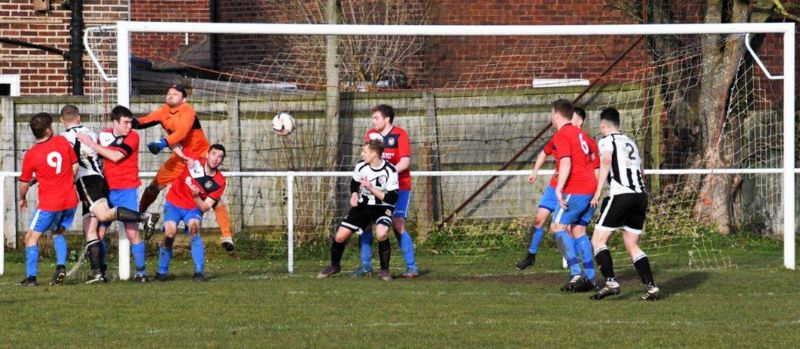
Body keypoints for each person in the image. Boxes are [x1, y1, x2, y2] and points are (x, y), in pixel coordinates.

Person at [132, 83, 235, 251]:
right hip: (180, 156)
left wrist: (162, 143)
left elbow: (181, 132)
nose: (170, 95)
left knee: (214, 199)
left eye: (175, 93)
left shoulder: (188, 111)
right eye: (169, 92)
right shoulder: (163, 110)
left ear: (184, 99)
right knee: (152, 187)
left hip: (199, 158)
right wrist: (128, 121)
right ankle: (140, 217)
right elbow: (143, 121)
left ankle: (226, 235)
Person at [516, 107, 599, 282]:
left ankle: (576, 271)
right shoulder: (562, 137)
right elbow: (544, 152)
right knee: (542, 220)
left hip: (572, 188)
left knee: (566, 229)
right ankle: (531, 255)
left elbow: (593, 163)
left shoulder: (584, 139)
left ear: (580, 121)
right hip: (559, 186)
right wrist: (535, 171)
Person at [76, 105, 157, 282]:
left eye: (131, 122)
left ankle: (141, 273)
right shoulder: (103, 135)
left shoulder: (133, 137)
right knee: (99, 233)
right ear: (115, 122)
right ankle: (100, 272)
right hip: (106, 189)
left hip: (127, 189)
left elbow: (115, 157)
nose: (130, 125)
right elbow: (92, 156)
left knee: (131, 232)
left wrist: (91, 144)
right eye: (126, 122)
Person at [589, 107, 661, 301]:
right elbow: (641, 171)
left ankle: (611, 282)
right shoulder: (631, 142)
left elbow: (605, 161)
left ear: (603, 125)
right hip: (640, 195)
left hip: (621, 195)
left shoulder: (605, 140)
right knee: (631, 244)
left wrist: (597, 193)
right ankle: (652, 287)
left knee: (597, 240)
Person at [318, 139, 399, 281]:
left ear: (374, 154)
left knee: (381, 233)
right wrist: (354, 195)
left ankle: (384, 270)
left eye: (365, 151)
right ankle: (334, 266)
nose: (362, 154)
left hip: (382, 207)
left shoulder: (390, 170)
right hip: (363, 206)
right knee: (340, 236)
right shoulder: (361, 166)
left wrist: (371, 188)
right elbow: (354, 182)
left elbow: (391, 199)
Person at [353, 104, 418, 278]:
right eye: (372, 118)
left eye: (376, 118)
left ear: (387, 119)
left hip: (399, 187)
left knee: (397, 224)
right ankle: (366, 266)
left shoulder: (400, 135)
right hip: (373, 189)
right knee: (365, 223)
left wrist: (386, 176)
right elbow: (367, 158)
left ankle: (411, 267)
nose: (373, 121)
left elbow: (405, 162)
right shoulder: (370, 135)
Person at [17, 112, 79, 286]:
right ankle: (60, 267)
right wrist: (67, 181)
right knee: (57, 232)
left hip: (50, 204)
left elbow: (24, 183)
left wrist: (22, 198)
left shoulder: (32, 154)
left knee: (30, 238)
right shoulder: (62, 141)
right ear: (48, 130)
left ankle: (31, 278)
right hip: (70, 200)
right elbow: (74, 165)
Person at [153, 144, 227, 282]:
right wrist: (184, 157)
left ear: (221, 161)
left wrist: (195, 196)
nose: (216, 158)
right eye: (214, 154)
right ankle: (162, 272)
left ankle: (199, 272)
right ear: (208, 154)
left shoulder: (220, 181)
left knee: (194, 230)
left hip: (194, 208)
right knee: (169, 234)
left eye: (220, 157)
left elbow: (205, 207)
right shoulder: (195, 160)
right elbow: (173, 144)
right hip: (174, 203)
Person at [548, 99, 599, 292]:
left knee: (557, 227)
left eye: (552, 113)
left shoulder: (562, 134)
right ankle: (591, 278)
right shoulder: (582, 135)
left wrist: (559, 189)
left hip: (576, 188)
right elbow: (594, 163)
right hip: (589, 189)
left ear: (557, 115)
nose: (551, 117)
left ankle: (576, 272)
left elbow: (566, 163)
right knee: (578, 231)